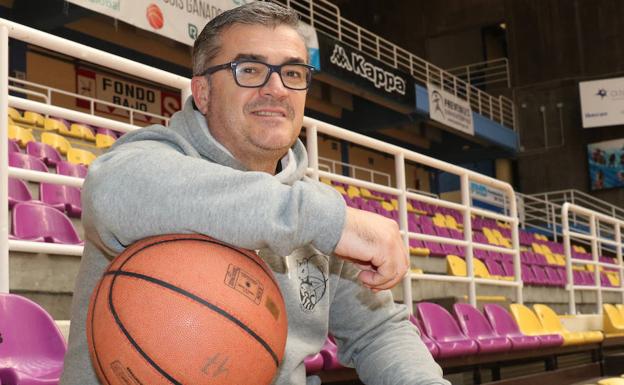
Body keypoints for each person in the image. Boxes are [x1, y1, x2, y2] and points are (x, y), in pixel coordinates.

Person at [60, 3, 449, 385]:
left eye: (293, 72)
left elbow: (378, 332)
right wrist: (326, 220)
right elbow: (112, 190)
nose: (276, 89)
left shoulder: (317, 213)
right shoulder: (153, 163)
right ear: (204, 91)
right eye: (250, 70)